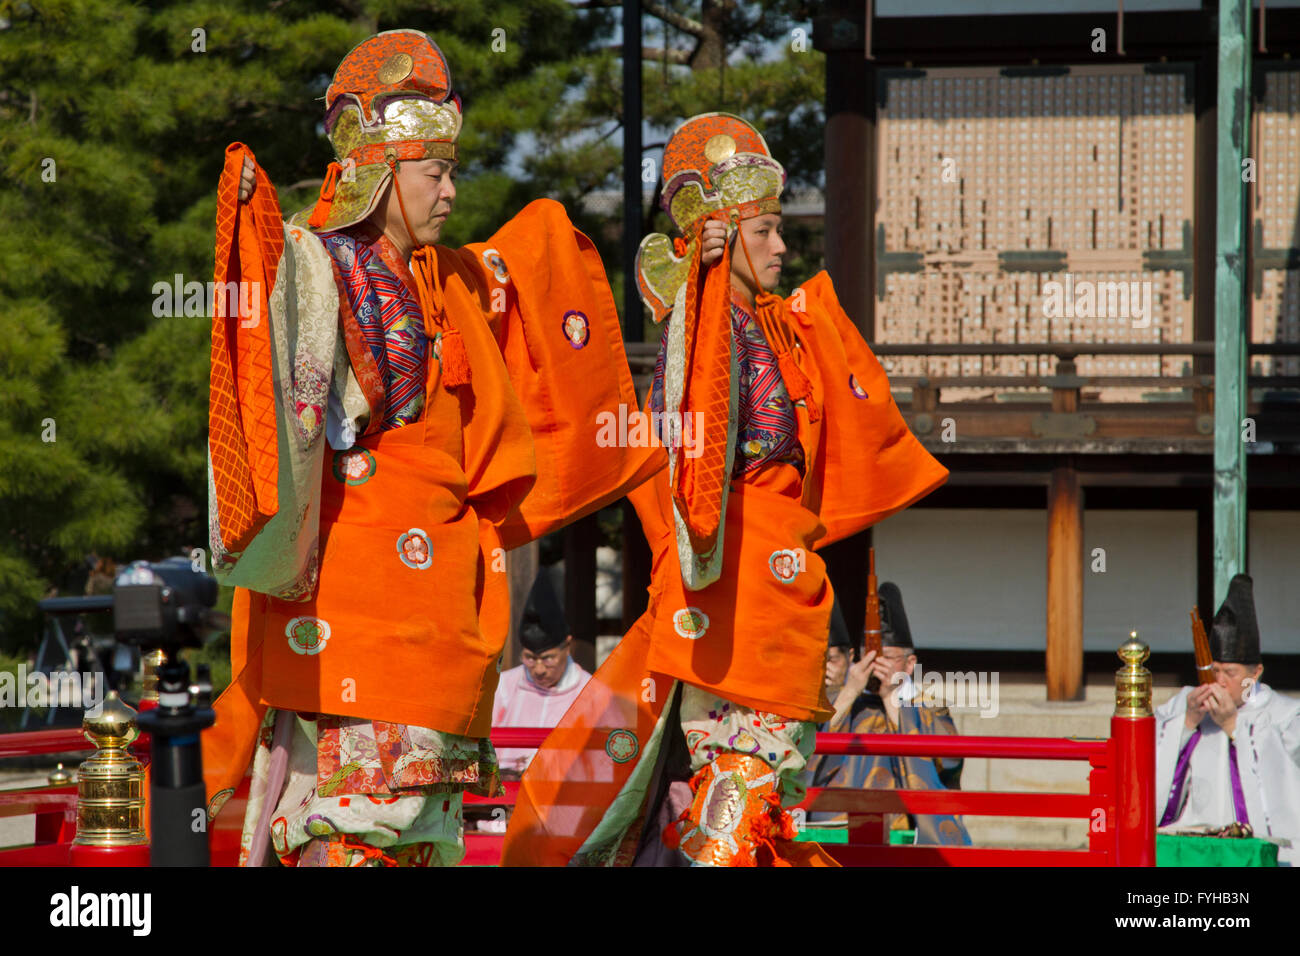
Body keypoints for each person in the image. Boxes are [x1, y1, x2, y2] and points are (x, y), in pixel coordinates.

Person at [201, 29, 660, 867]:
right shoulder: (315, 267)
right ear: (379, 172)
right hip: (357, 598)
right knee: (356, 825)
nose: (451, 190)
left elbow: (529, 261)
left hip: (442, 600)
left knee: (426, 829)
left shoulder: (447, 280)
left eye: (452, 170)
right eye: (434, 173)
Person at [503, 113, 948, 866]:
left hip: (780, 597)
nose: (782, 247)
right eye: (766, 230)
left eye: (780, 230)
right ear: (720, 233)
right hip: (726, 606)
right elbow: (686, 474)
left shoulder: (780, 331)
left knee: (753, 809)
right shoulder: (698, 340)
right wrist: (701, 285)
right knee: (729, 821)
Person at [809, 583, 970, 845]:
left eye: (890, 657)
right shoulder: (842, 699)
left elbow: (950, 761)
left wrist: (890, 697)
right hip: (836, 824)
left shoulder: (929, 705)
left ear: (909, 664)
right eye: (871, 655)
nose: (879, 664)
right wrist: (850, 691)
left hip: (904, 826)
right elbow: (808, 746)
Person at [1156, 574, 1300, 865]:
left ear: (1255, 673)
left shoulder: (1286, 715)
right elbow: (1149, 758)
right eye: (1214, 670)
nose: (1218, 682)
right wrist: (1186, 723)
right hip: (1191, 841)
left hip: (1250, 848)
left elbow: (1285, 787)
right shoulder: (1184, 703)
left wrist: (1234, 726)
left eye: (1230, 673)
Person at [492, 568, 592, 776]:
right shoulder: (504, 686)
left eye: (548, 659)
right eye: (529, 658)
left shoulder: (591, 692)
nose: (538, 669)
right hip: (507, 790)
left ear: (567, 646)